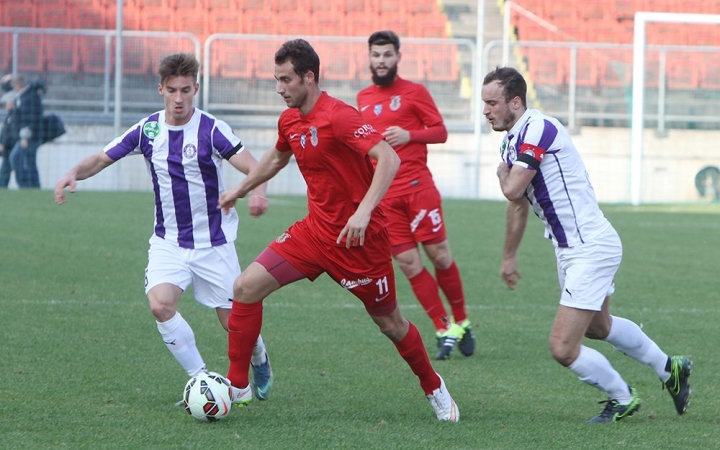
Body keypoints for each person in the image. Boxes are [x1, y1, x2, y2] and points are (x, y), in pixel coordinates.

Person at [218, 39, 459, 421]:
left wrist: (363, 213)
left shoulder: (340, 116)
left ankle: (433, 385)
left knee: (391, 324)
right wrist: (238, 189)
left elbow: (389, 158)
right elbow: (276, 159)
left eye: (285, 80)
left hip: (361, 244)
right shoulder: (290, 119)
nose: (279, 88)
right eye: (276, 80)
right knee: (245, 287)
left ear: (309, 77)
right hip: (314, 235)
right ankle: (237, 385)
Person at [54, 53, 274, 405]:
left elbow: (255, 166)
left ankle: (260, 358)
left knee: (233, 323)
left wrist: (259, 192)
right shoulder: (148, 130)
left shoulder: (211, 129)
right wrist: (72, 173)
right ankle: (202, 381)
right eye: (172, 90)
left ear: (196, 89)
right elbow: (101, 157)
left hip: (213, 243)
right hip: (168, 242)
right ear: (161, 89)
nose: (179, 98)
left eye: (186, 90)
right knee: (160, 305)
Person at [482, 66, 692, 423]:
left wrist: (502, 173)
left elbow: (512, 188)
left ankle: (622, 397)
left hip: (589, 247)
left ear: (515, 102)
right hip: (572, 249)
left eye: (492, 103)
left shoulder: (538, 127)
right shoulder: (511, 140)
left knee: (562, 347)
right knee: (598, 326)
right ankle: (670, 368)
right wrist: (508, 256)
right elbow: (516, 206)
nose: (486, 111)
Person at [357, 30, 475, 360]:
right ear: (369, 58)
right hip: (386, 198)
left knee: (439, 255)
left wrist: (410, 134)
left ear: (398, 57)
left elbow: (440, 131)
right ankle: (443, 327)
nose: (381, 61)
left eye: (387, 55)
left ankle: (463, 321)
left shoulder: (415, 92)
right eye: (376, 55)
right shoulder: (363, 98)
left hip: (418, 189)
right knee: (409, 263)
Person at [8, 75, 45, 188]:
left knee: (15, 158)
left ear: (18, 85)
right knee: (30, 162)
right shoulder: (28, 95)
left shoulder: (27, 97)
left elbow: (29, 119)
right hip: (32, 135)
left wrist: (24, 137)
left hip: (29, 136)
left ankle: (26, 185)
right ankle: (33, 186)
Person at [0, 86, 16, 188]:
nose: (6, 105)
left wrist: (3, 144)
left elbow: (9, 132)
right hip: (8, 147)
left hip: (9, 147)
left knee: (5, 170)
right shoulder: (10, 115)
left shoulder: (13, 115)